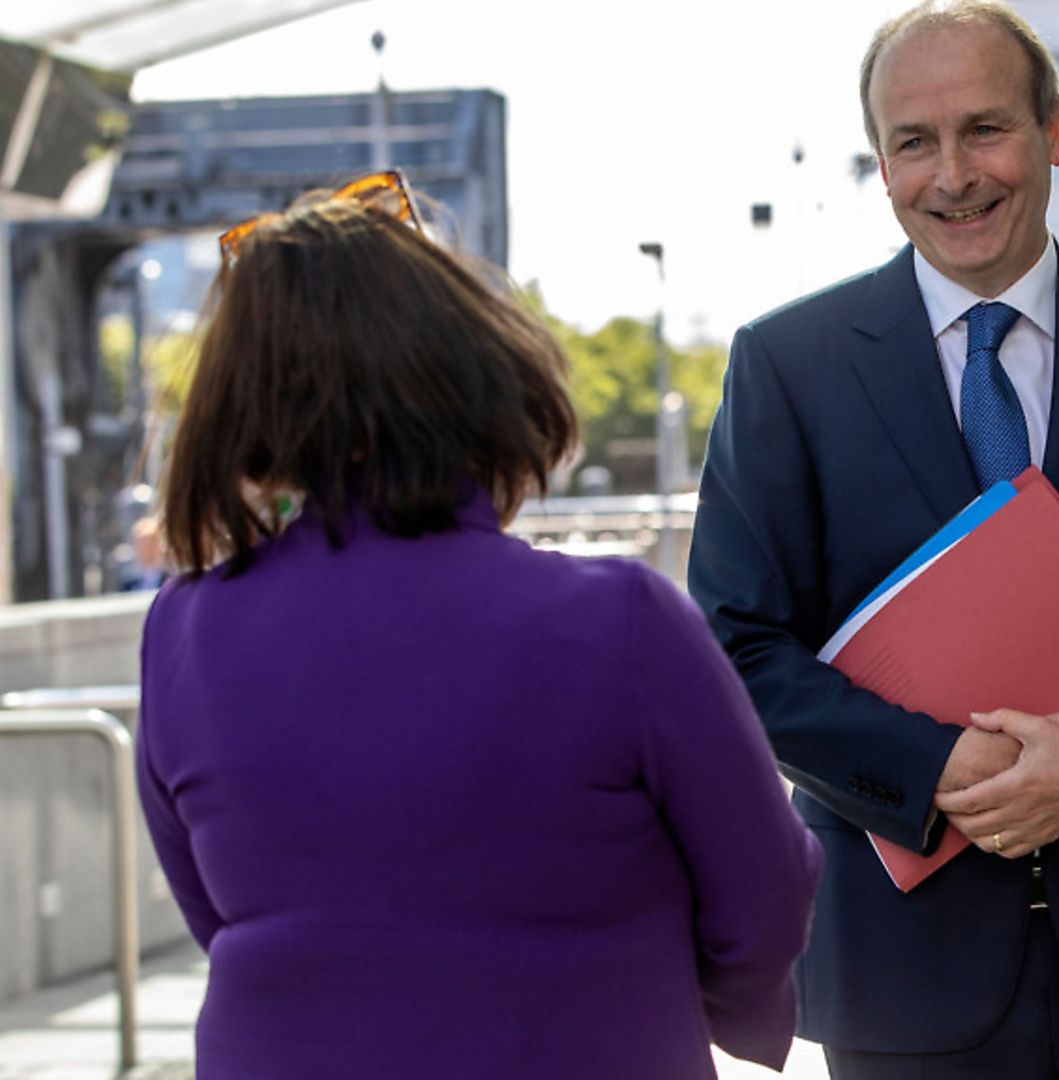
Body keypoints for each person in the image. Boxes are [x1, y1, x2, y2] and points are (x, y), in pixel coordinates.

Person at [686, 2, 1059, 1074]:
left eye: (985, 129)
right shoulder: (787, 366)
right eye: (914, 142)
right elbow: (738, 649)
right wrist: (940, 766)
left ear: (1054, 131)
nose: (953, 175)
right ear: (882, 161)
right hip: (903, 984)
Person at [136, 172, 821, 1080]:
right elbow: (765, 894)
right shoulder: (619, 620)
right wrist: (694, 1000)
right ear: (475, 369)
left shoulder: (181, 633)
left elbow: (216, 914)